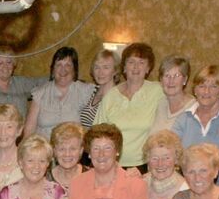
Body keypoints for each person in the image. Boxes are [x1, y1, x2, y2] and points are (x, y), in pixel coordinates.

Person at [93, 42, 164, 170]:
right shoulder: (111, 96)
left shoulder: (157, 90)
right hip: (112, 165)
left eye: (141, 63)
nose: (136, 67)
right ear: (124, 67)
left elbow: (180, 99)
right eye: (131, 62)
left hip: (145, 165)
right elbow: (97, 132)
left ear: (148, 68)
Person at [172, 65, 219, 186]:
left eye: (213, 87)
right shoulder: (184, 117)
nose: (206, 91)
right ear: (195, 90)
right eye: (202, 86)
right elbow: (173, 150)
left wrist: (197, 173)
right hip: (186, 182)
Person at [24, 46, 96, 141]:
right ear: (53, 69)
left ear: (74, 69)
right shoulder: (40, 93)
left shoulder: (85, 91)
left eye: (68, 65)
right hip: (44, 152)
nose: (63, 69)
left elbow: (106, 92)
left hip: (72, 152)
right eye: (59, 65)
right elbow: (29, 131)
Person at [142, 130, 187, 199]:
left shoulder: (185, 190)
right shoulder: (141, 182)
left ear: (176, 159)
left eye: (166, 158)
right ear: (148, 160)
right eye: (155, 158)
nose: (160, 164)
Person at [77, 47, 120, 130]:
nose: (100, 72)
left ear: (115, 71)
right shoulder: (90, 91)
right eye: (97, 67)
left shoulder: (117, 96)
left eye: (106, 67)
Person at [150, 54, 195, 134]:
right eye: (167, 75)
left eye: (176, 75)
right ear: (161, 80)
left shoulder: (193, 108)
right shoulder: (160, 104)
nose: (171, 81)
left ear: (185, 79)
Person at [47, 122, 86, 191]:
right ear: (54, 151)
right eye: (62, 149)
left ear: (81, 150)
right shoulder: (45, 179)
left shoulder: (92, 177)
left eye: (72, 149)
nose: (67, 154)